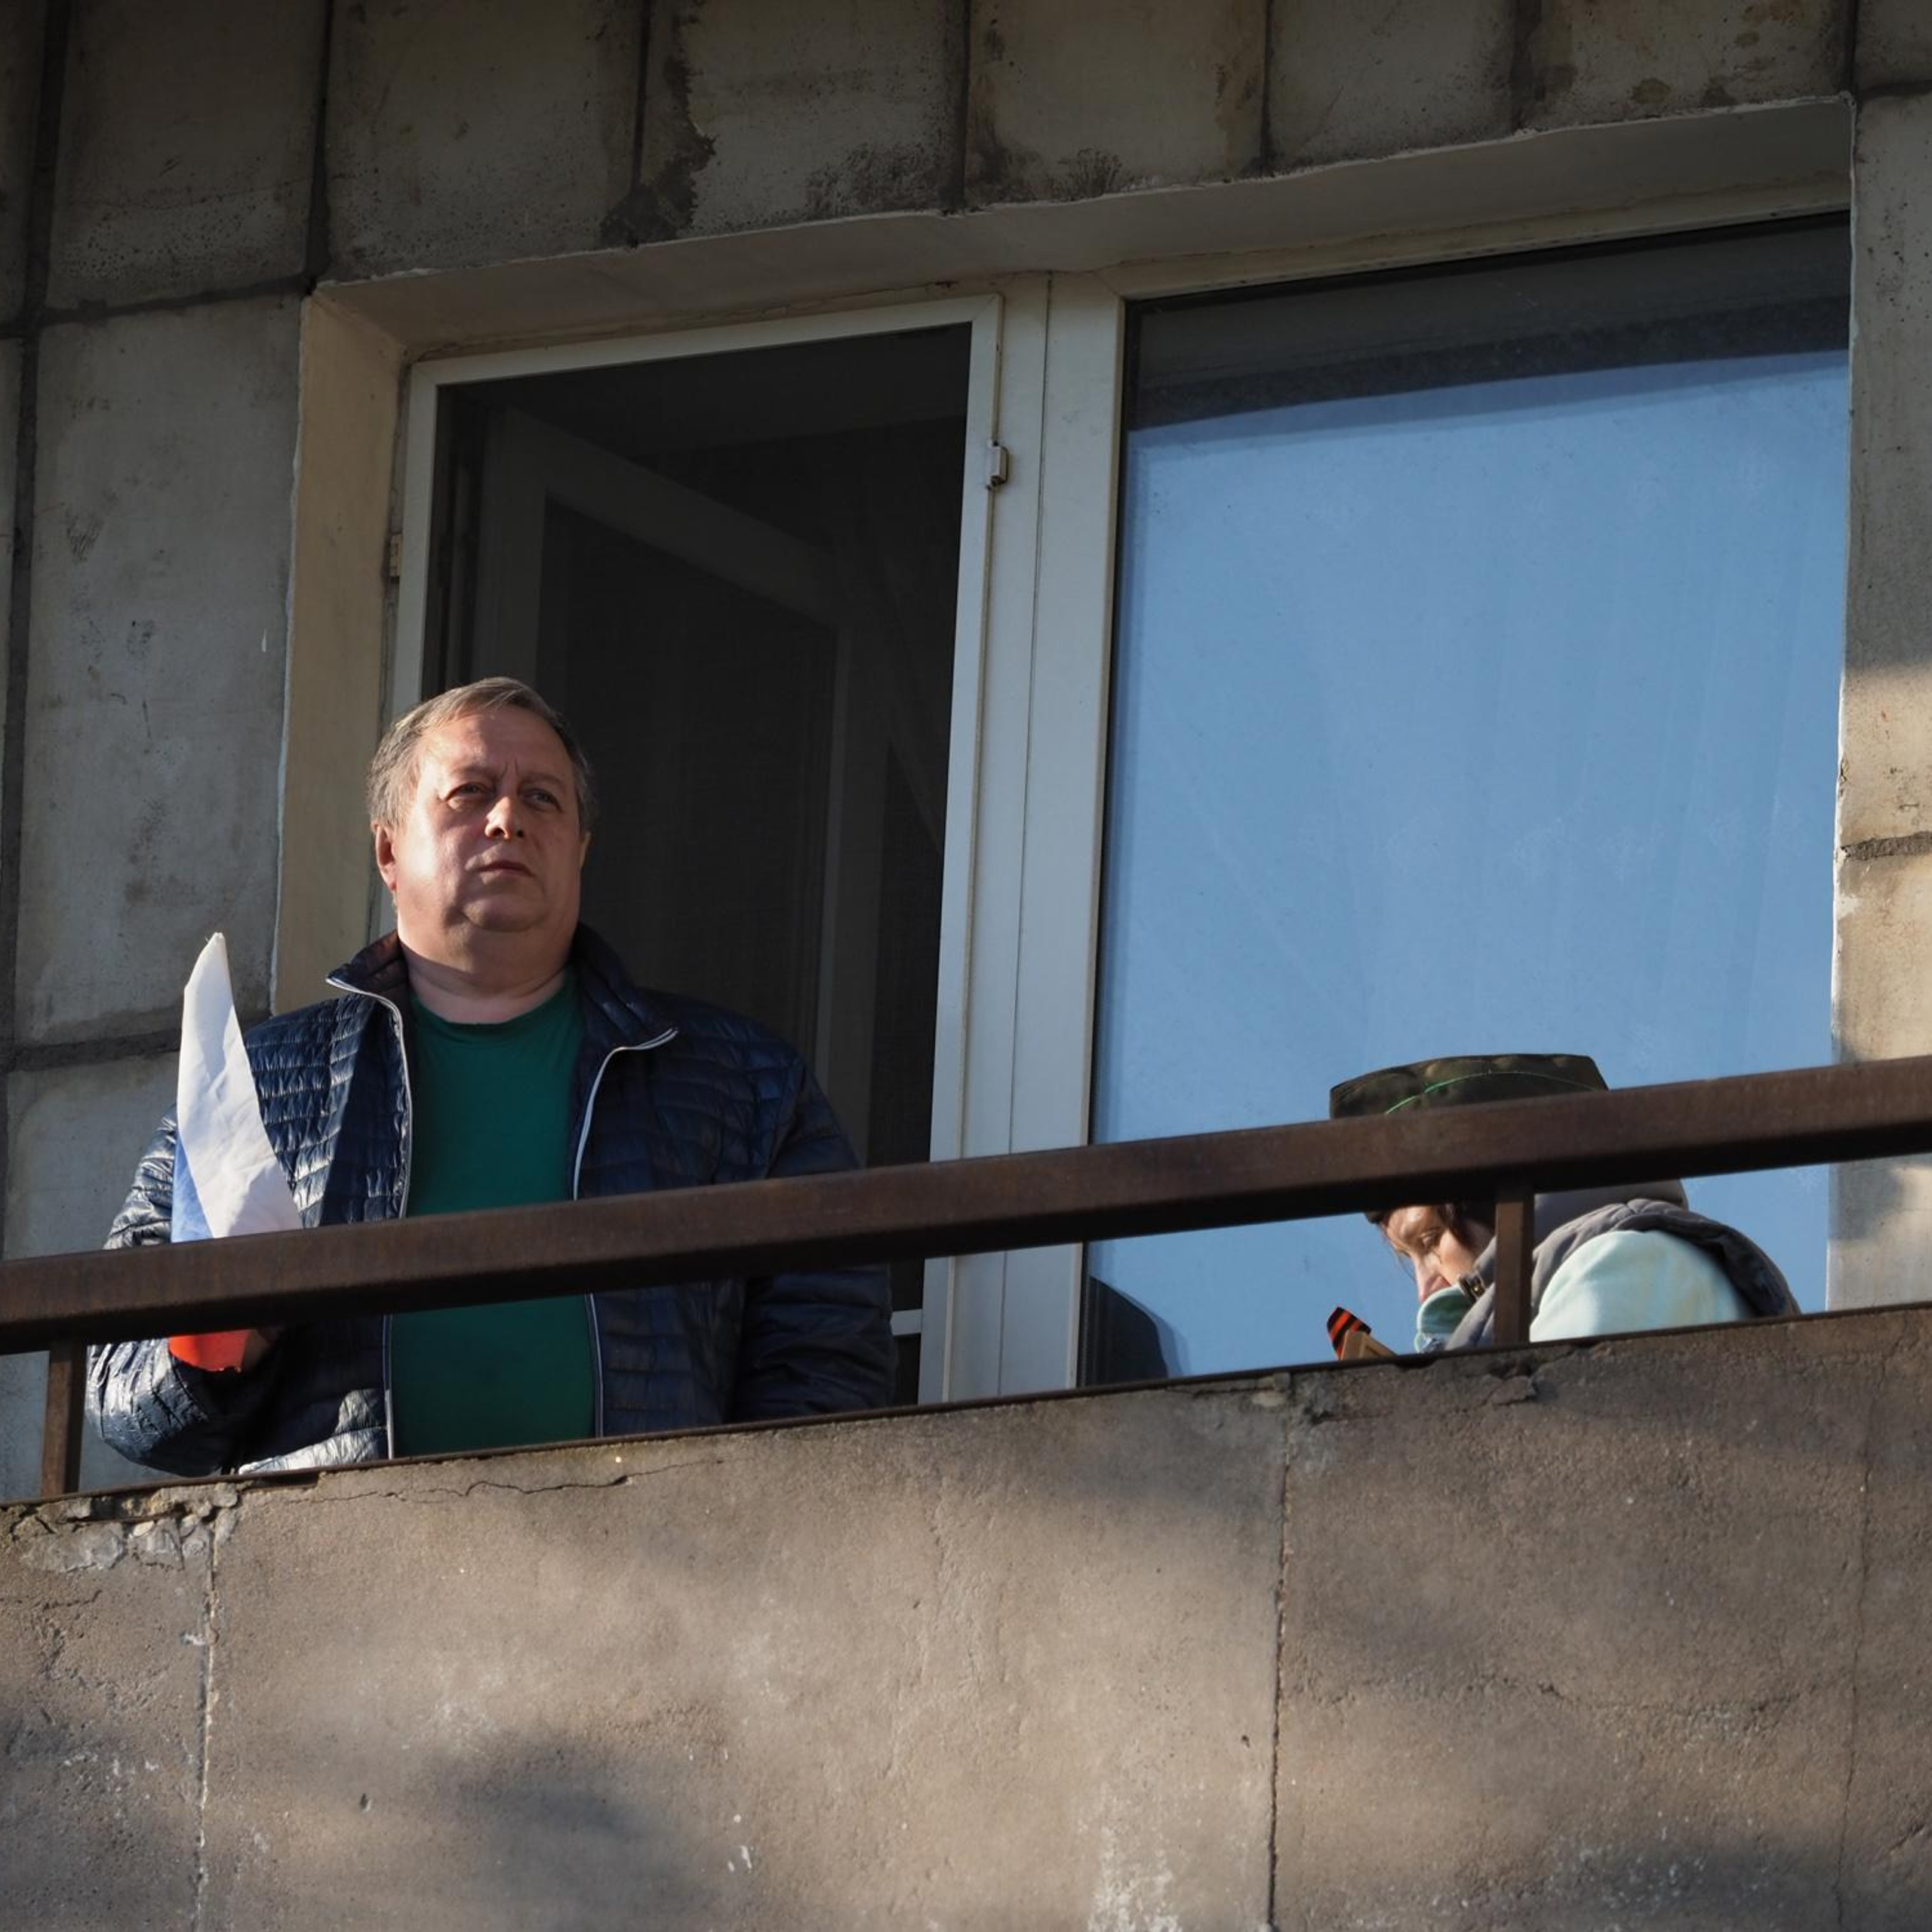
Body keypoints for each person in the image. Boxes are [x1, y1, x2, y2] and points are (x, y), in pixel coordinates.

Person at [90, 678, 894, 1475]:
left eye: (542, 799)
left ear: (580, 849)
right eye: (470, 792)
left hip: (656, 1576)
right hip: (337, 1578)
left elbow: (828, 1360)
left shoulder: (741, 1080)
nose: (507, 817)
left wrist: (739, 1522)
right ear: (388, 850)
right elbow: (120, 1389)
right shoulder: (261, 1084)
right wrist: (222, 1345)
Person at [1329, 1053, 1799, 1352]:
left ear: (1495, 1198)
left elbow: (1546, 1457)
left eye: (1430, 1240)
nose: (1423, 1288)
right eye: (1410, 1259)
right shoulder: (1590, 1271)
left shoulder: (1625, 1262)